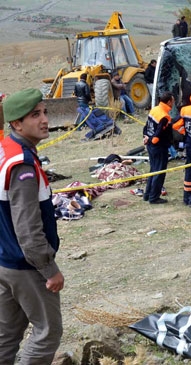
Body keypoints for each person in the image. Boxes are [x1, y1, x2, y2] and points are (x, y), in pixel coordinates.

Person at [0, 88, 64, 364]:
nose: (44, 120)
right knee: (47, 333)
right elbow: (27, 226)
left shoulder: (5, 150)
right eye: (35, 115)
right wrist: (49, 269)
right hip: (26, 266)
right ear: (16, 124)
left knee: (6, 334)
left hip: (5, 261)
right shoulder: (22, 165)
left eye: (45, 113)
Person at [143, 92, 175, 204]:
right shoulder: (164, 116)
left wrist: (146, 137)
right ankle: (154, 197)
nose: (174, 103)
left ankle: (147, 194)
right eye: (173, 100)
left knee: (153, 170)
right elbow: (159, 133)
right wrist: (154, 139)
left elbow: (147, 126)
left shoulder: (154, 109)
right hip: (159, 147)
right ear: (169, 101)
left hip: (150, 145)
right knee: (159, 172)